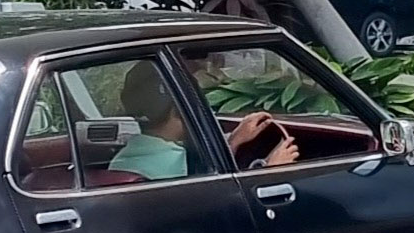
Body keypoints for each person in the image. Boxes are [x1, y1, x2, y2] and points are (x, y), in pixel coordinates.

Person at [108, 61, 297, 180]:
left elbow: (203, 170)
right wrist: (268, 170)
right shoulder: (177, 163)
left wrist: (233, 141)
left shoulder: (124, 159)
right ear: (179, 111)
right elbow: (222, 204)